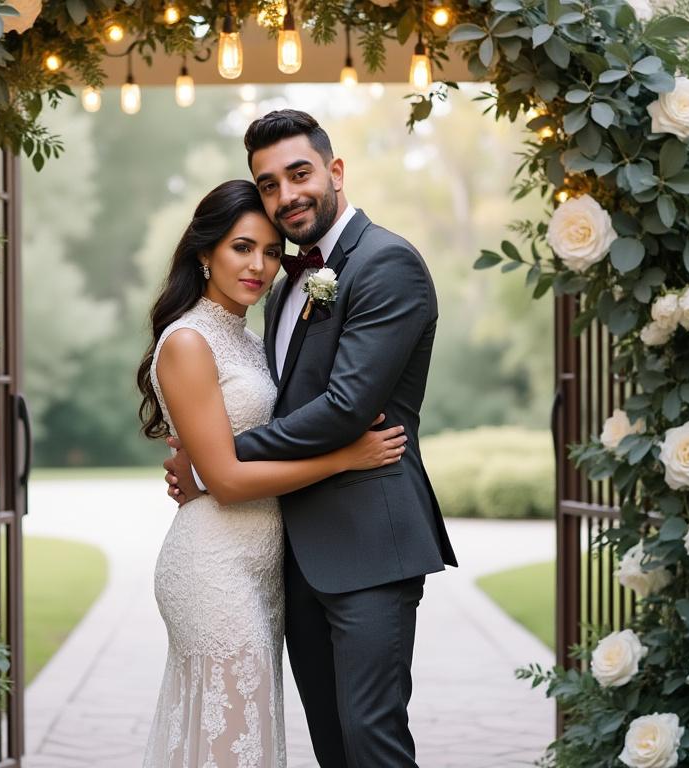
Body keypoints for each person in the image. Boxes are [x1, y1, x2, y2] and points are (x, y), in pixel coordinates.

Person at [163, 110, 457, 767]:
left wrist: (218, 462)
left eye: (299, 174)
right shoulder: (285, 284)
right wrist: (207, 447)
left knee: (370, 738)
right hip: (293, 555)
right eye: (268, 185)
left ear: (335, 171)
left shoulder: (387, 264)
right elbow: (266, 396)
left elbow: (347, 405)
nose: (286, 195)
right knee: (331, 743)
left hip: (370, 543)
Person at [137, 178, 408, 767]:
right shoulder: (188, 340)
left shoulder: (248, 338)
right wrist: (345, 457)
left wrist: (201, 466)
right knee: (234, 745)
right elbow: (230, 480)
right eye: (240, 248)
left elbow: (229, 442)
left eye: (268, 250)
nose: (258, 265)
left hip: (262, 567)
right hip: (213, 569)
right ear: (203, 252)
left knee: (245, 741)